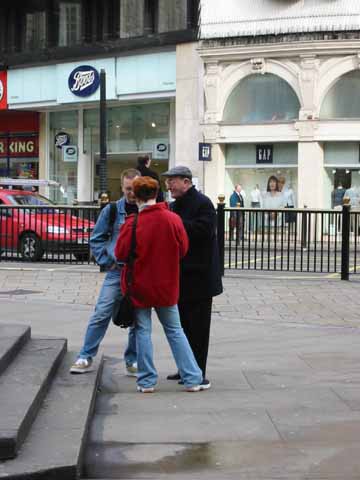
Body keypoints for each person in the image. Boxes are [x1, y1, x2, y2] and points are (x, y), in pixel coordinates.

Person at [114, 176, 203, 393]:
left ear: (135, 196)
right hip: (167, 284)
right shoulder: (172, 219)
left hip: (140, 286)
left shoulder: (132, 223)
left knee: (143, 331)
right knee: (175, 330)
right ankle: (192, 377)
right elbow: (182, 250)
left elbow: (120, 254)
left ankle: (146, 381)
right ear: (156, 194)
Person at [70, 169, 140, 375]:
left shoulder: (147, 210)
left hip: (139, 274)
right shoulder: (111, 210)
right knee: (101, 313)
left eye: (135, 188)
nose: (131, 193)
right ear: (122, 187)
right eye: (128, 189)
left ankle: (133, 360)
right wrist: (106, 261)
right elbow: (96, 238)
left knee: (138, 319)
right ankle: (85, 356)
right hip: (116, 272)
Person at [162, 165, 223, 389]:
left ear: (186, 182)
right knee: (183, 327)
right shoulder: (174, 206)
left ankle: (198, 372)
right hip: (181, 276)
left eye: (173, 180)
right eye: (168, 181)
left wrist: (175, 223)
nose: (169, 185)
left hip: (200, 276)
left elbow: (205, 231)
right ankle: (185, 368)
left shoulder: (203, 203)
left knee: (198, 329)